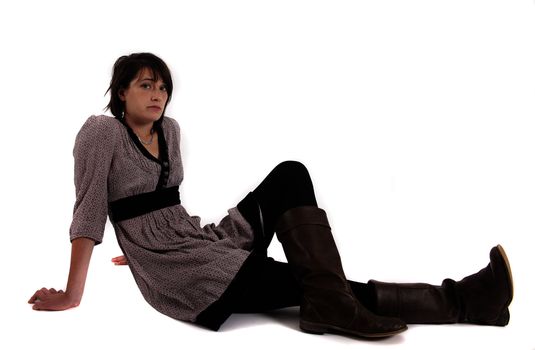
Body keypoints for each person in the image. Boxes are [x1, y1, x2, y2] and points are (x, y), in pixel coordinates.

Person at [28, 52, 514, 339]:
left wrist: (145, 242)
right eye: (146, 86)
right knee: (314, 283)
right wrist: (78, 291)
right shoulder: (100, 133)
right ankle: (466, 302)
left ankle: (334, 305)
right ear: (120, 93)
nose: (158, 96)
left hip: (197, 240)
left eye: (164, 88)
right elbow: (90, 210)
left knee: (290, 173)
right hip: (184, 273)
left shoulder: (170, 129)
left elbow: (162, 205)